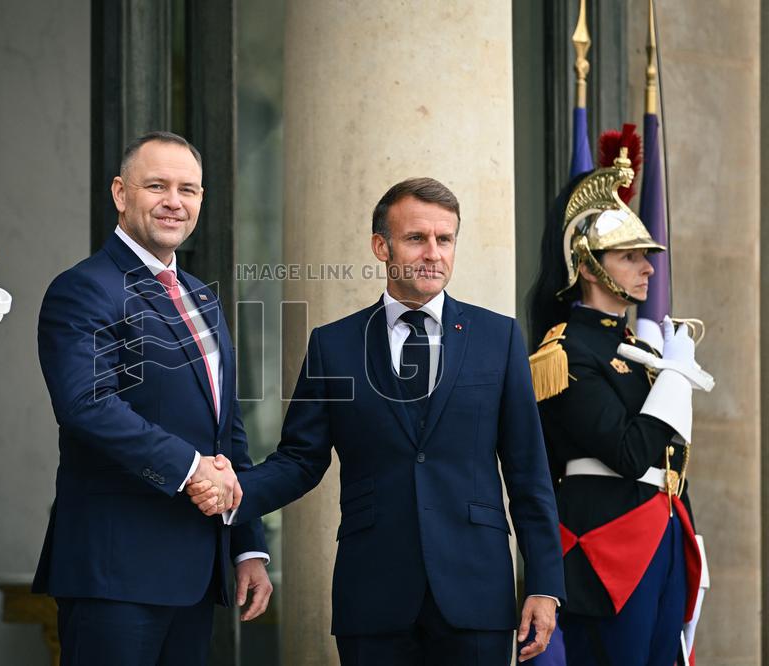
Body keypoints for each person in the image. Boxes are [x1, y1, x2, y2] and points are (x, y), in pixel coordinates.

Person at [191, 177, 565, 664]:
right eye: (416, 238)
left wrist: (543, 584)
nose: (433, 253)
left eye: (445, 239)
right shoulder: (334, 345)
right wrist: (234, 490)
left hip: (476, 592)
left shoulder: (500, 338)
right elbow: (300, 460)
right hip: (372, 594)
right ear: (381, 247)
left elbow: (528, 471)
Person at [33, 131, 272, 665]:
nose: (174, 202)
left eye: (188, 189)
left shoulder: (202, 297)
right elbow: (87, 405)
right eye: (157, 186)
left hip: (197, 570)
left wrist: (247, 544)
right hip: (115, 573)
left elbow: (226, 430)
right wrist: (192, 469)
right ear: (121, 194)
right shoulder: (84, 288)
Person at [526, 135, 705, 665]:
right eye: (630, 257)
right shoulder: (565, 351)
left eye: (645, 256)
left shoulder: (639, 349)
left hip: (663, 529)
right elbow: (629, 453)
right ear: (588, 266)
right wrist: (674, 378)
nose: (648, 268)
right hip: (606, 543)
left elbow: (670, 459)